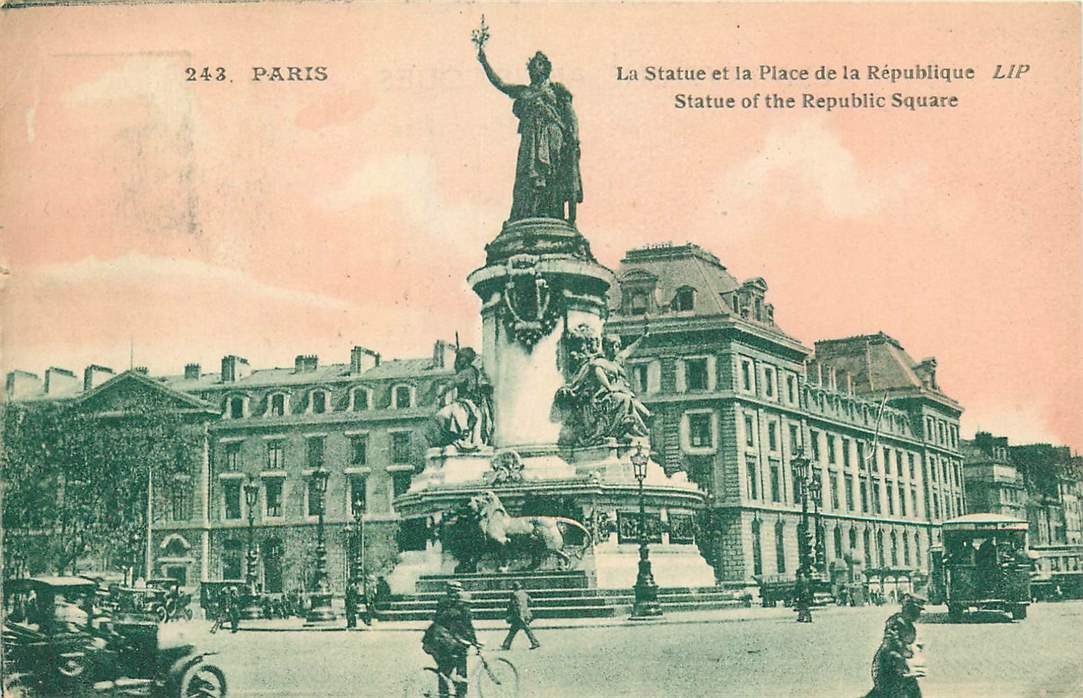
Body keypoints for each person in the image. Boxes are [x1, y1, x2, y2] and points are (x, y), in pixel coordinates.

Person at [477, 46, 583, 224]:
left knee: (552, 173)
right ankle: (529, 210)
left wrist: (575, 138)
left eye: (539, 64)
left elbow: (571, 115)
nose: (534, 68)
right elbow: (501, 84)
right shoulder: (524, 92)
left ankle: (552, 211)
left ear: (546, 68)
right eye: (532, 65)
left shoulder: (556, 89)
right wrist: (484, 62)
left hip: (552, 135)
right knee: (528, 173)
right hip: (530, 139)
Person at [422, 581, 479, 698]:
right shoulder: (461, 608)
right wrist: (474, 642)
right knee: (460, 661)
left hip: (433, 640)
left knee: (444, 668)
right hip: (444, 640)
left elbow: (442, 622)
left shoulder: (443, 602)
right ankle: (460, 693)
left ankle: (445, 693)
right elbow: (467, 627)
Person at [864, 593, 926, 698]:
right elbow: (890, 643)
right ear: (909, 609)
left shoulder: (909, 625)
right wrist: (904, 653)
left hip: (900, 665)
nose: (919, 614)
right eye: (917, 610)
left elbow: (911, 645)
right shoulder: (896, 621)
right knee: (890, 692)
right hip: (887, 665)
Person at [434, 347, 493, 451]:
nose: (459, 360)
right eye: (459, 357)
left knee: (442, 414)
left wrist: (441, 393)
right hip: (475, 402)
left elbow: (452, 383)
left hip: (465, 401)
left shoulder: (465, 372)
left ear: (466, 359)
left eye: (461, 358)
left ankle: (462, 433)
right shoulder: (475, 370)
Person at [500, 581, 541, 650]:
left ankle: (535, 642)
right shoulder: (524, 593)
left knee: (524, 629)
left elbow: (515, 605)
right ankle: (506, 644)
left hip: (518, 615)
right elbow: (531, 601)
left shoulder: (514, 594)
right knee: (514, 630)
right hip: (525, 614)